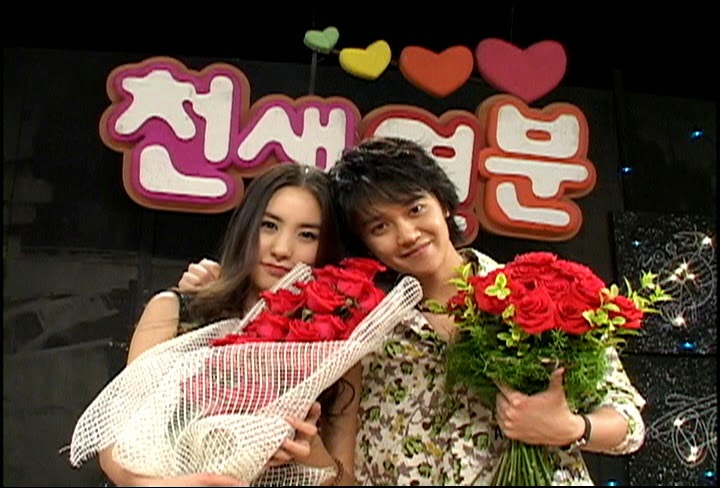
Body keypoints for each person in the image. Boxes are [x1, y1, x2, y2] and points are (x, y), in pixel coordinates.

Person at [180, 137, 646, 486]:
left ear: (443, 204)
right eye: (380, 226)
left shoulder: (537, 292)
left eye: (416, 208)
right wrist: (218, 285)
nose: (407, 234)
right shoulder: (359, 324)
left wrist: (569, 427)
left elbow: (628, 420)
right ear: (364, 243)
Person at [99, 163, 358, 487]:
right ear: (246, 227)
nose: (281, 249)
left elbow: (346, 480)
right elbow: (114, 445)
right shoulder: (177, 312)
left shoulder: (337, 348)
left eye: (307, 235)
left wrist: (312, 454)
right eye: (268, 225)